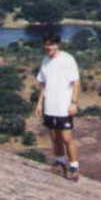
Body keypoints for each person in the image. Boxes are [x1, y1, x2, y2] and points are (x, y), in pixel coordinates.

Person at [35, 34, 81, 181]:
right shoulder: (45, 60)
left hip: (63, 106)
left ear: (57, 45)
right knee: (55, 138)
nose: (48, 47)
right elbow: (43, 84)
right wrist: (39, 103)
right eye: (46, 45)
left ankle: (74, 166)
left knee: (66, 138)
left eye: (51, 44)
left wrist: (74, 102)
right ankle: (60, 163)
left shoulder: (67, 59)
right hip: (50, 106)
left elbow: (76, 82)